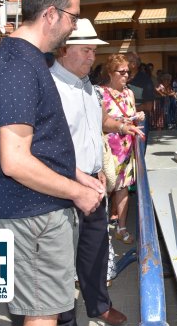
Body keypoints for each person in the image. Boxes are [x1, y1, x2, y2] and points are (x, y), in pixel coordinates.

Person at [0, 0, 104, 326]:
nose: (74, 26)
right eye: (73, 17)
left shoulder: (30, 59)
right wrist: (77, 192)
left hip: (40, 212)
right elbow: (15, 160)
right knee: (42, 315)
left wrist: (77, 173)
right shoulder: (19, 65)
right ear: (51, 14)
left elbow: (41, 145)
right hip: (34, 215)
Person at [52, 19, 132, 326]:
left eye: (93, 50)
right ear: (63, 50)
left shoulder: (86, 85)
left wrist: (98, 166)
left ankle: (98, 305)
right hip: (63, 184)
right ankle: (63, 317)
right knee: (59, 260)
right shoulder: (50, 87)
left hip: (93, 180)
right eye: (86, 50)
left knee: (95, 250)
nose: (92, 57)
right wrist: (77, 177)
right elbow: (44, 147)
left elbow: (94, 128)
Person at [96, 53, 145, 245]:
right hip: (109, 149)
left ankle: (121, 227)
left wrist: (136, 116)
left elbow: (130, 115)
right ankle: (98, 228)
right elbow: (100, 123)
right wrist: (122, 124)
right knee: (105, 189)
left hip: (127, 147)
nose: (126, 75)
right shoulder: (101, 93)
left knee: (123, 188)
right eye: (122, 72)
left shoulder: (129, 93)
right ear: (110, 72)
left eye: (128, 72)